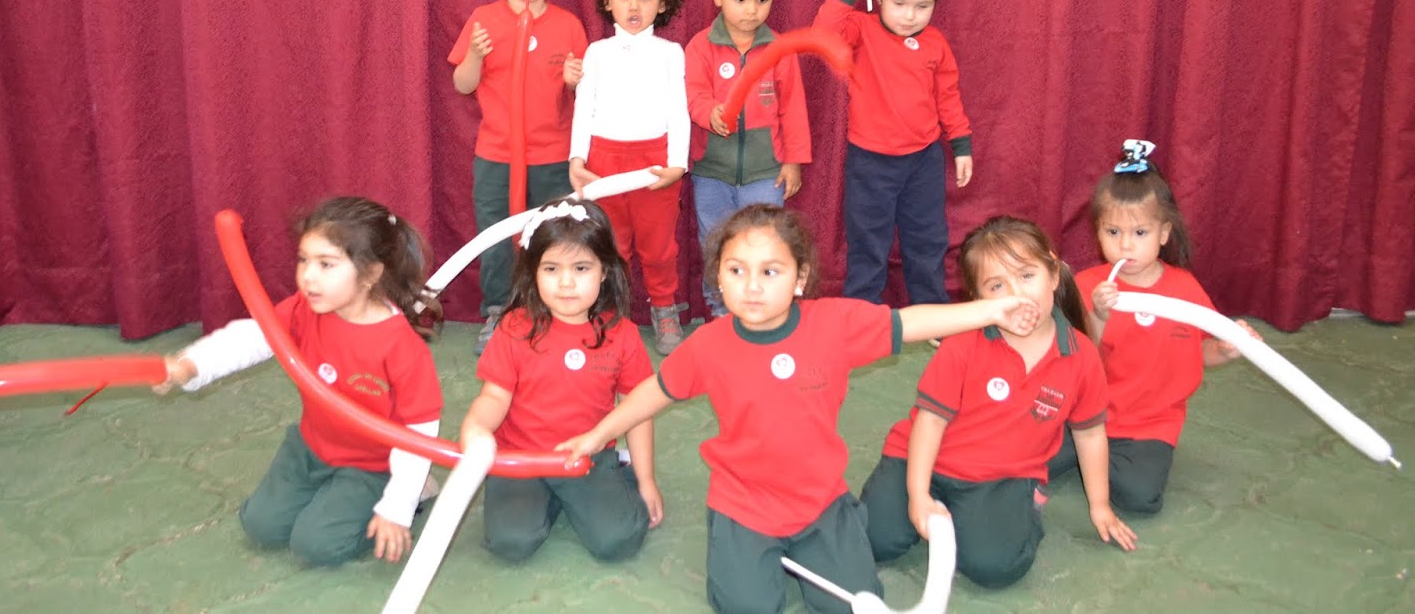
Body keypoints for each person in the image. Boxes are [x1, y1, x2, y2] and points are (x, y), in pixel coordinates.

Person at [556, 204, 1041, 614]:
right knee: (745, 607)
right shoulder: (708, 344)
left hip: (820, 504)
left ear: (800, 277)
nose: (752, 286)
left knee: (852, 604)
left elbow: (911, 322)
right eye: (736, 270)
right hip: (743, 507)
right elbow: (652, 392)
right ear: (718, 276)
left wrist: (991, 310)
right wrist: (598, 435)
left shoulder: (834, 325)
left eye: (770, 271)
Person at [156, 197, 443, 566]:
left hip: (374, 465)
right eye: (304, 260)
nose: (308, 276)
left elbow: (419, 433)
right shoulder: (304, 308)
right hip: (311, 447)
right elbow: (256, 336)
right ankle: (336, 495)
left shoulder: (401, 347)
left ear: (371, 274)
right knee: (261, 525)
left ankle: (416, 489)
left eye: (326, 264)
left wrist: (397, 507)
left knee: (316, 545)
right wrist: (191, 365)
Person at [860, 216, 1137, 591]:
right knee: (873, 541)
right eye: (996, 285)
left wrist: (1099, 505)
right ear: (978, 301)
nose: (1016, 294)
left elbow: (1090, 434)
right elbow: (930, 422)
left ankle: (1022, 505)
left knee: (995, 567)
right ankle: (932, 504)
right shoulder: (962, 342)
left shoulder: (1081, 356)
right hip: (921, 459)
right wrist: (919, 495)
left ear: (1054, 274)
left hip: (1001, 476)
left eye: (1027, 275)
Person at [1048, 140, 1258, 514]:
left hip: (1148, 426)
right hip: (1083, 413)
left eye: (1140, 233)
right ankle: (1084, 453)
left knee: (1141, 497)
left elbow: (1199, 351)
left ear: (1163, 233)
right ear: (1098, 232)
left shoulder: (1185, 289)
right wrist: (1098, 314)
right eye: (1113, 232)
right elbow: (1075, 356)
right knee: (1019, 454)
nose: (1126, 246)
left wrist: (1226, 349)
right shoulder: (1088, 286)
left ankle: (1090, 459)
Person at [459, 198, 663, 563]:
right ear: (533, 272)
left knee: (619, 540)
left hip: (588, 456)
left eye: (581, 268)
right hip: (520, 458)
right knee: (511, 543)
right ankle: (543, 499)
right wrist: (476, 427)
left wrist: (646, 480)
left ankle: (614, 477)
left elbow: (638, 410)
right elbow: (494, 397)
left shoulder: (623, 334)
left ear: (604, 271)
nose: (566, 283)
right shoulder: (514, 328)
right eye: (551, 269)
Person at [450, 0, 589, 355]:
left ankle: (553, 312)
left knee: (554, 236)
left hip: (552, 156)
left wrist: (575, 80)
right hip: (496, 155)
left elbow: (587, 95)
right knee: (496, 237)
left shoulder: (568, 24)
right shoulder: (483, 19)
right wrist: (475, 55)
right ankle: (500, 310)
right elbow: (463, 84)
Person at [812, 0, 970, 305]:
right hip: (870, 162)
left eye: (922, 6)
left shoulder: (936, 43)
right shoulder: (861, 28)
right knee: (868, 242)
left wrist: (961, 143)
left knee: (927, 241)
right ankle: (862, 314)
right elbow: (823, 35)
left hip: (923, 161)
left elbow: (948, 97)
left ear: (935, 2)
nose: (910, 16)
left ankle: (931, 312)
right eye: (899, 3)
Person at [566, 0, 690, 354]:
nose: (634, 5)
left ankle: (664, 307)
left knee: (658, 247)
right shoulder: (597, 52)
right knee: (610, 245)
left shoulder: (671, 53)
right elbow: (584, 107)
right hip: (603, 163)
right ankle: (608, 311)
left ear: (662, 3)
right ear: (608, 0)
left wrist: (677, 164)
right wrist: (577, 160)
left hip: (655, 165)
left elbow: (679, 111)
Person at [684, 0, 811, 319]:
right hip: (711, 171)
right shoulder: (701, 46)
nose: (751, 10)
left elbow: (793, 109)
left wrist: (793, 161)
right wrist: (710, 113)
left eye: (762, 0)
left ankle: (762, 313)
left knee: (763, 243)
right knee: (715, 243)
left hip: (765, 173)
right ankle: (721, 312)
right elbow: (693, 95)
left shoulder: (780, 50)